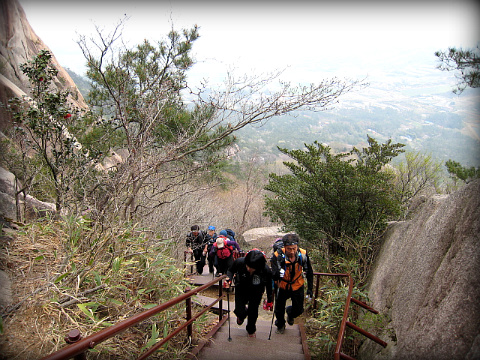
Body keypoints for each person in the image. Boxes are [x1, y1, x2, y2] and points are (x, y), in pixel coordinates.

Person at [224, 249, 273, 338]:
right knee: (239, 311)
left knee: (253, 311)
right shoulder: (240, 262)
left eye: (252, 268)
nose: (248, 269)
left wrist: (270, 300)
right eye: (248, 266)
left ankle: (251, 330)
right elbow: (230, 270)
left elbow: (269, 285)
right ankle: (241, 315)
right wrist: (229, 279)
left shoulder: (265, 270)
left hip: (256, 292)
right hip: (241, 288)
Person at [270, 233, 313, 334]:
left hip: (297, 284)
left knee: (299, 310)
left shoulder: (302, 254)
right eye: (289, 249)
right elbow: (273, 274)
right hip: (282, 285)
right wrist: (278, 273)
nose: (292, 251)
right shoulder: (277, 256)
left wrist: (310, 288)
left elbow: (309, 272)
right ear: (285, 247)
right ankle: (280, 325)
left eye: (294, 248)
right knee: (279, 309)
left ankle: (290, 312)